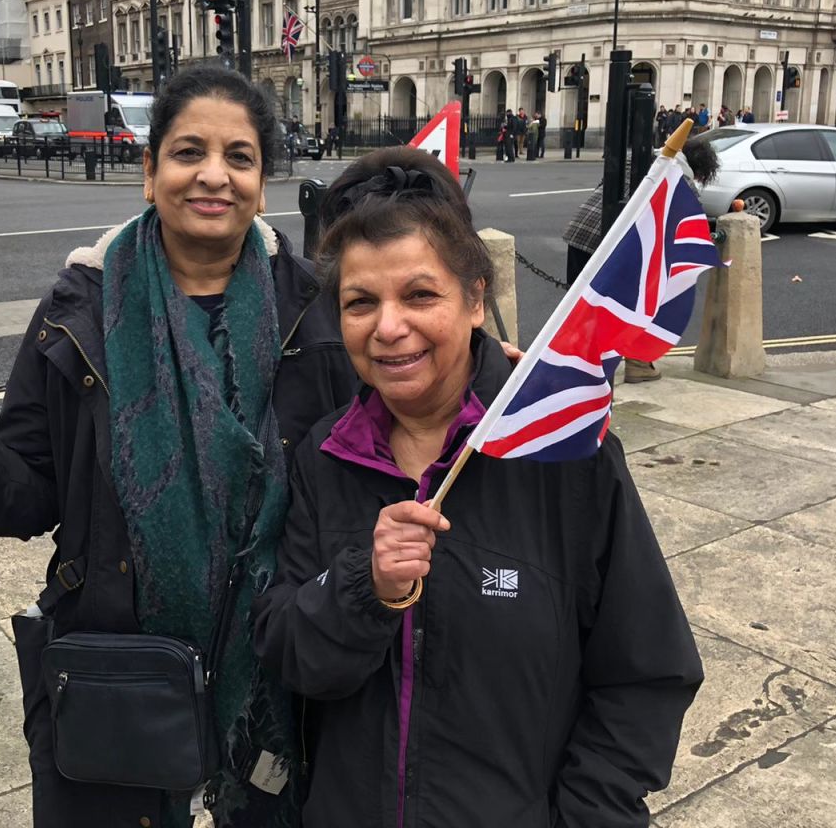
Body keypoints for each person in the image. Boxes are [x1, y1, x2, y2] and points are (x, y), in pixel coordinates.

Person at [0, 64, 361, 828]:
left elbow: (389, 436)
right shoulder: (78, 308)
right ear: (148, 174)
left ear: (262, 183)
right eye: (188, 153)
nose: (214, 175)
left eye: (239, 157)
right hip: (119, 674)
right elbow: (24, 495)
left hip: (279, 667)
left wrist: (481, 370)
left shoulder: (315, 309)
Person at [253, 146, 702, 827]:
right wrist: (362, 590)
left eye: (420, 295)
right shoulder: (324, 456)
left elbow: (644, 674)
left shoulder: (567, 454)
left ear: (474, 298)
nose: (389, 327)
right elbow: (289, 652)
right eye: (360, 303)